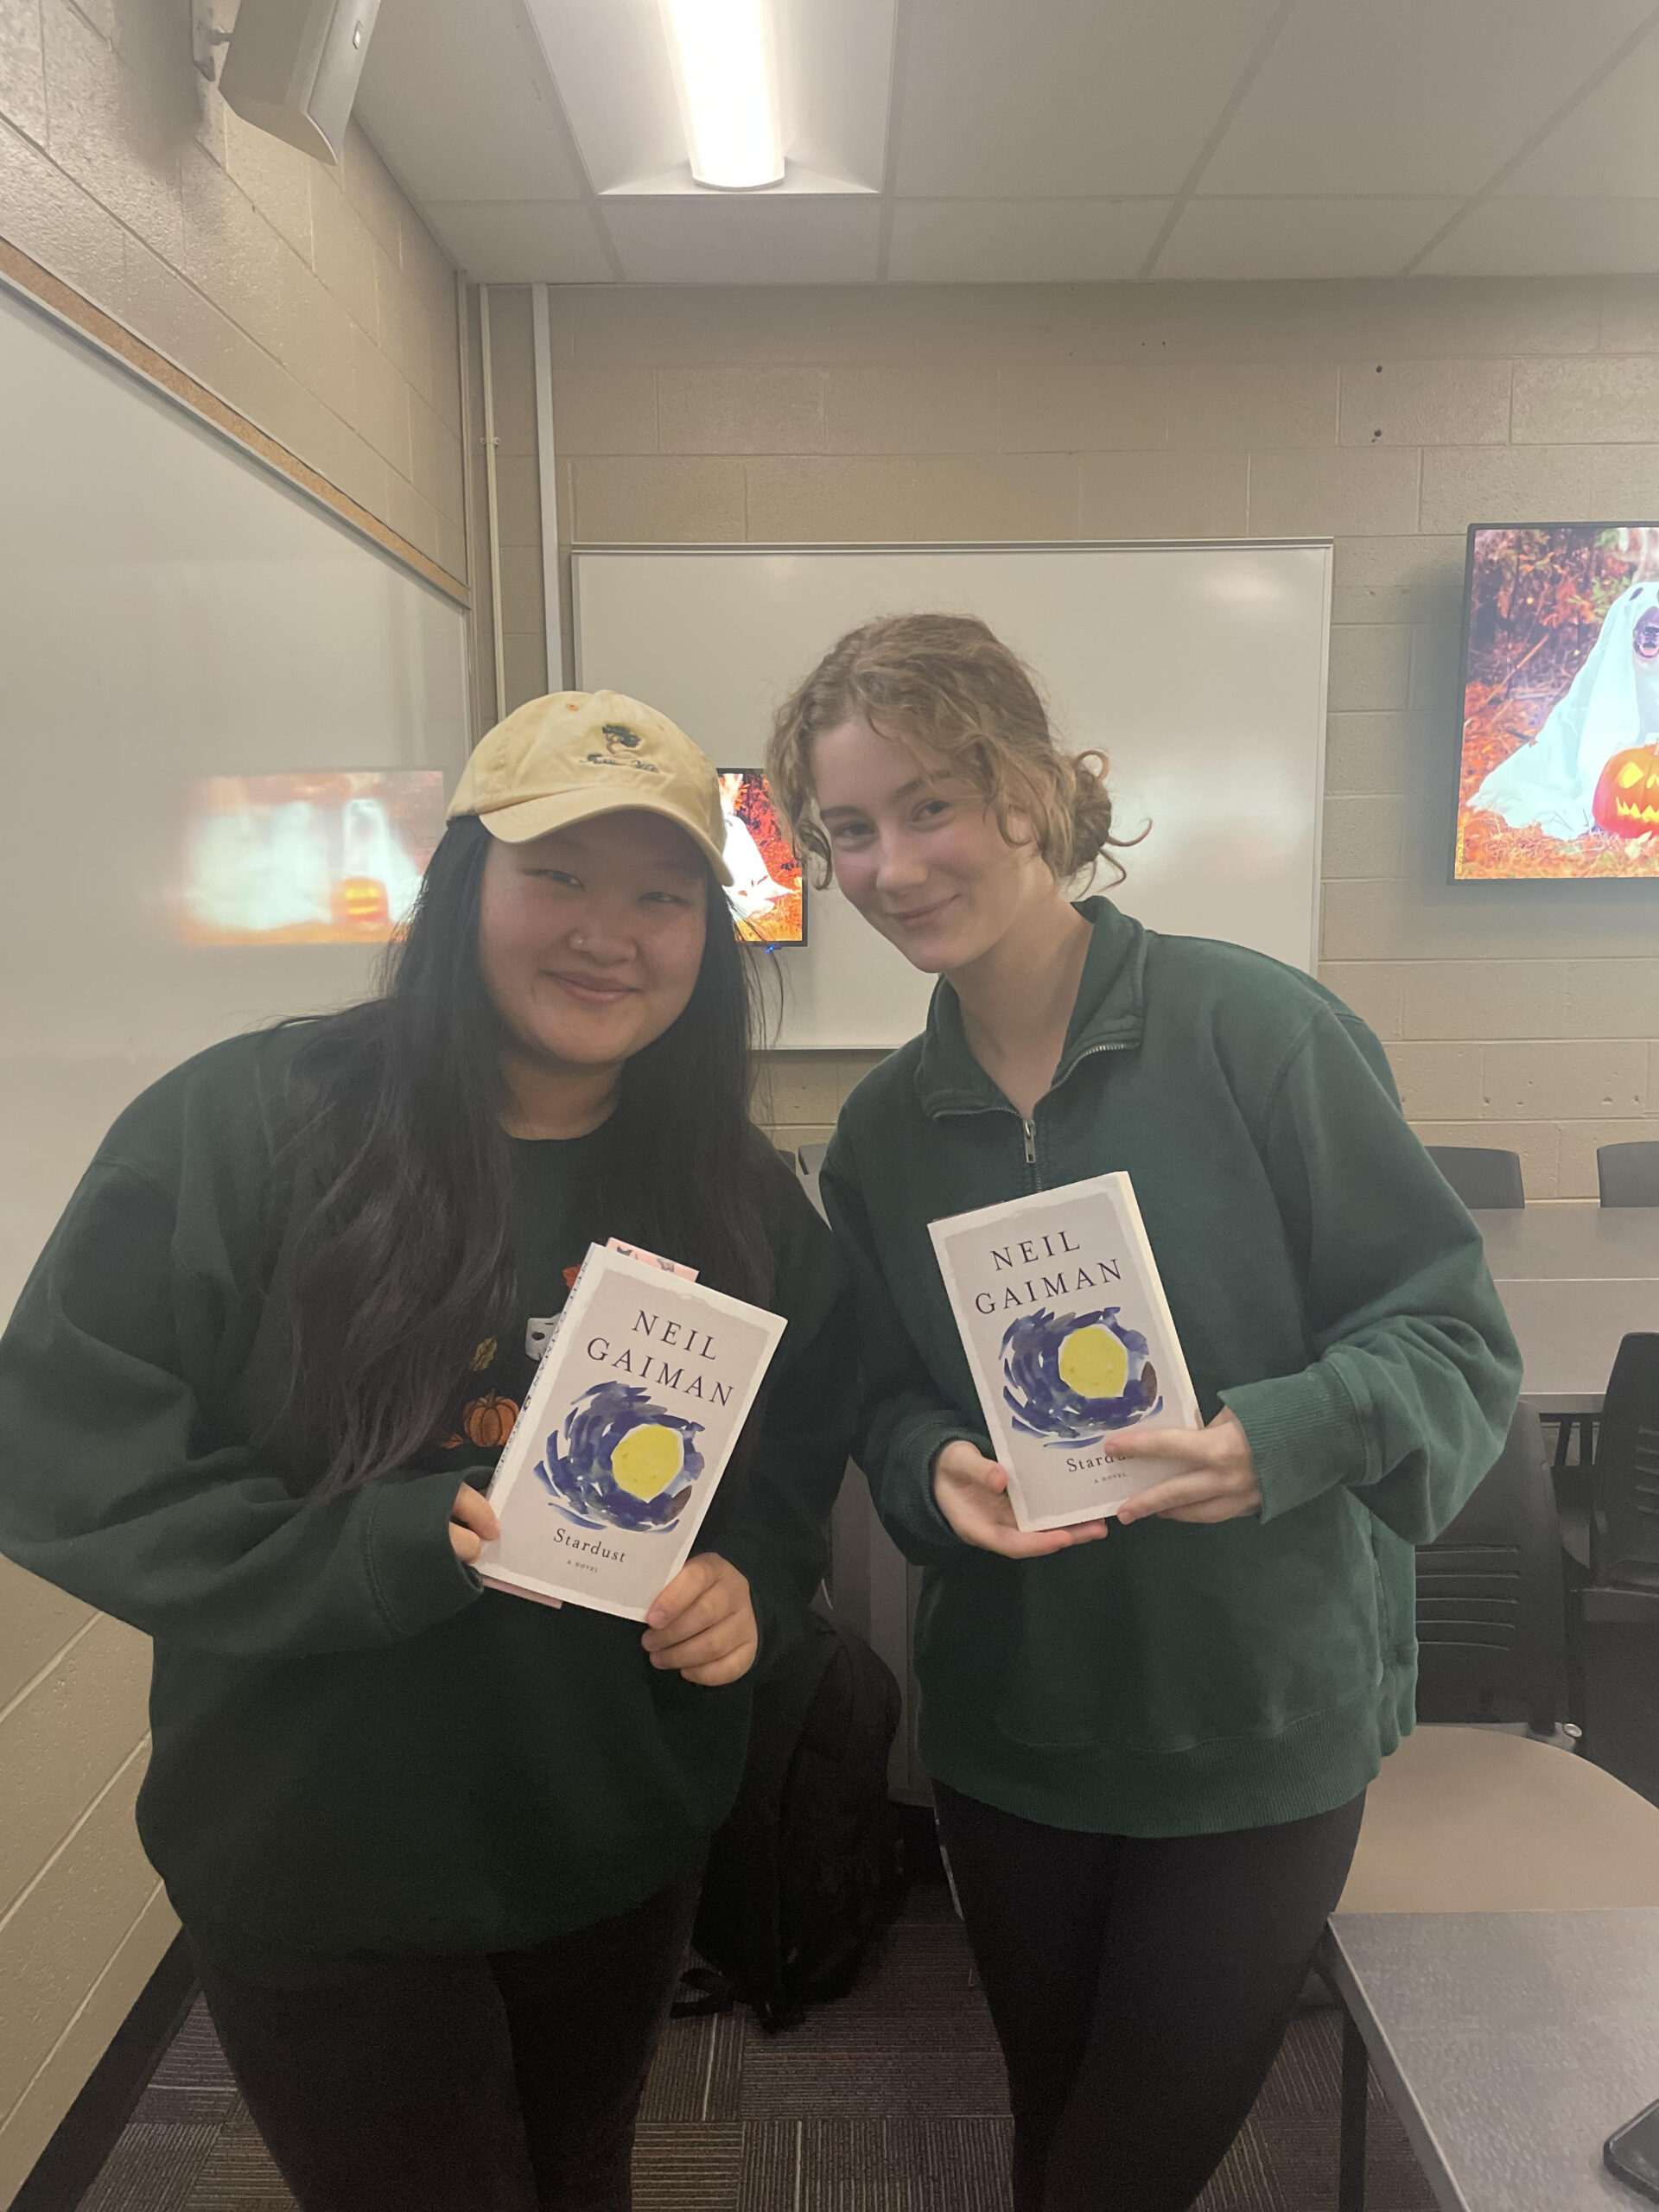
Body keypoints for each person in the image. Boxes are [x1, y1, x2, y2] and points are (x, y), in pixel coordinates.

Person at [0, 690, 855, 2212]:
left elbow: (787, 1457)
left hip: (615, 1836)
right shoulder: (249, 1124)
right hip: (326, 1855)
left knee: (579, 2176)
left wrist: (752, 1582)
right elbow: (58, 1449)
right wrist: (369, 1551)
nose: (611, 933)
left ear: (708, 940)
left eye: (663, 896)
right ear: (465, 887)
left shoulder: (729, 1190)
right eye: (560, 879)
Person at [766, 614, 1521, 2212]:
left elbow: (1452, 1341)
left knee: (1117, 2173)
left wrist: (1282, 1437)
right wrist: (926, 1467)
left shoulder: (1262, 1033)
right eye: (848, 829)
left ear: (1030, 795)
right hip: (1019, 1731)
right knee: (1060, 2131)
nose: (892, 865)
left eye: (930, 806)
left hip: (1258, 1728)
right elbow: (882, 1393)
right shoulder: (887, 1130)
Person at [1470, 576, 1659, 840]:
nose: (1651, 633)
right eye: (1644, 626)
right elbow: (1595, 740)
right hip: (1607, 772)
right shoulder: (1605, 674)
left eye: (1657, 628)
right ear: (1627, 629)